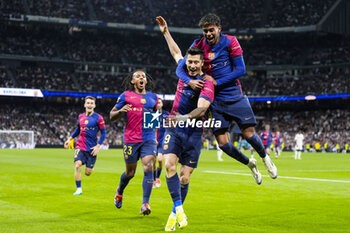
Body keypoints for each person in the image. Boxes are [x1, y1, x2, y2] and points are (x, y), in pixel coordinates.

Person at [175, 13, 277, 183]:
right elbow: (180, 68)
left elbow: (240, 69)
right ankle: (249, 163)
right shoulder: (198, 45)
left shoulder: (230, 41)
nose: (208, 34)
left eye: (211, 30)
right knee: (223, 144)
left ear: (219, 29)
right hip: (213, 101)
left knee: (249, 134)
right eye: (205, 31)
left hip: (233, 95)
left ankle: (265, 158)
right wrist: (189, 81)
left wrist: (217, 82)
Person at [110, 70, 158, 215]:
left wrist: (154, 137)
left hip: (148, 138)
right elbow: (112, 116)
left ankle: (145, 203)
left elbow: (153, 120)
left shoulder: (153, 98)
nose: (141, 78)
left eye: (143, 76)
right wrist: (120, 111)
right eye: (138, 76)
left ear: (146, 81)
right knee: (130, 173)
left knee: (149, 166)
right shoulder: (126, 95)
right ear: (132, 81)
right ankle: (120, 191)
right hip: (131, 139)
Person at [64, 96, 106, 195]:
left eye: (92, 103)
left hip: (91, 148)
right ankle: (79, 189)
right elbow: (78, 129)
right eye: (88, 103)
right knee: (77, 165)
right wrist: (70, 138)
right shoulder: (80, 116)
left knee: (88, 173)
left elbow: (104, 133)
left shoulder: (99, 118)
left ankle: (90, 167)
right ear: (85, 105)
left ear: (94, 105)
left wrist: (98, 146)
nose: (90, 105)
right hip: (80, 146)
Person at [153, 98, 169, 188]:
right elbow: (149, 128)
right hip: (153, 142)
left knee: (159, 160)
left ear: (162, 104)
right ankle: (154, 179)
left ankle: (157, 177)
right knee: (153, 162)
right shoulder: (152, 114)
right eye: (157, 103)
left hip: (162, 142)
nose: (158, 104)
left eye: (159, 102)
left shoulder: (166, 115)